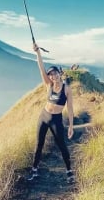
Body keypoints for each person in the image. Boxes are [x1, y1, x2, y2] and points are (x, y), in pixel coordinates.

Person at [27, 43, 75, 183]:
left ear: (60, 73)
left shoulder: (67, 89)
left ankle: (69, 171)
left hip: (56, 119)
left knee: (61, 145)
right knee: (39, 144)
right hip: (44, 116)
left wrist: (71, 126)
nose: (53, 76)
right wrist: (38, 53)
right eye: (51, 75)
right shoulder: (49, 85)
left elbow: (70, 108)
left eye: (55, 73)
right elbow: (41, 68)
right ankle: (34, 170)